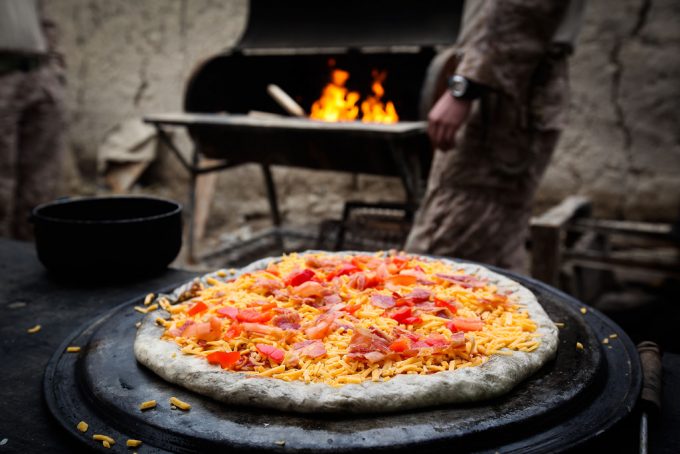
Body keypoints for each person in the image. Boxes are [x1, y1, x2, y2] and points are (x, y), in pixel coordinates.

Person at [405, 0, 584, 272]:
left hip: (504, 92)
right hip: (503, 82)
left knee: (452, 247)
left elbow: (519, 7)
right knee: (491, 238)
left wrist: (466, 85)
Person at [0, 0, 66, 240]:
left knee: (40, 190)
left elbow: (43, 13)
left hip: (39, 74)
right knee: (1, 192)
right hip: (3, 73)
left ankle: (30, 261)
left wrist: (55, 68)